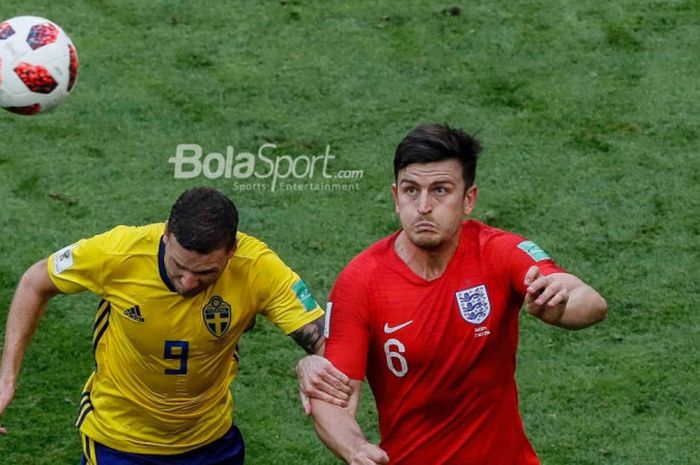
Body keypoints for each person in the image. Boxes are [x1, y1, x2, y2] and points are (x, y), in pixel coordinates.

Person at [303, 123, 608, 465]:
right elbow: (334, 397)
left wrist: (560, 303)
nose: (423, 206)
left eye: (440, 190)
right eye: (411, 190)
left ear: (468, 200)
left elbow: (590, 302)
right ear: (395, 197)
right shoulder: (360, 282)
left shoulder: (499, 251)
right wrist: (355, 448)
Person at [0, 186, 350, 465]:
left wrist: (314, 364)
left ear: (231, 251)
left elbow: (328, 340)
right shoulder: (119, 253)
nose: (186, 282)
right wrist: (5, 380)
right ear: (166, 236)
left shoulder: (257, 266)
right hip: (119, 443)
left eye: (205, 274)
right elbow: (35, 281)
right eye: (179, 266)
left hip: (212, 442)